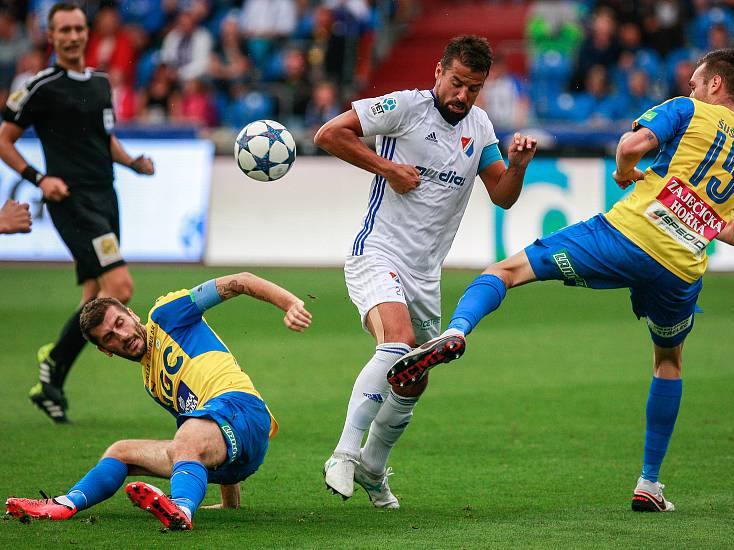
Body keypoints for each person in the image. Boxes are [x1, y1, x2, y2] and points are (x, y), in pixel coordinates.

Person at [390, 48, 734, 512]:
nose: (690, 86)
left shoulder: (688, 109)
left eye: (695, 81)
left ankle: (454, 332)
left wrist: (628, 173)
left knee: (506, 272)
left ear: (714, 85)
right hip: (680, 269)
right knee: (668, 361)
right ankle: (649, 482)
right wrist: (698, 217)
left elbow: (629, 147)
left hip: (624, 238)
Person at [313, 35, 537, 508]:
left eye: (473, 88)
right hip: (378, 251)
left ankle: (374, 466)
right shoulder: (405, 107)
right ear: (439, 71)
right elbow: (329, 133)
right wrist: (387, 167)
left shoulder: (479, 127)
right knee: (395, 344)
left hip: (425, 274)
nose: (462, 96)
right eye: (456, 83)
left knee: (414, 376)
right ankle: (344, 454)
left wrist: (516, 167)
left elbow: (503, 194)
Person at [5, 272, 312, 531]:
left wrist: (290, 304)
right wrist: (231, 502)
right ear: (106, 350)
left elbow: (240, 281)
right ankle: (64, 504)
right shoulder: (152, 382)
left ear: (132, 314)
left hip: (244, 410)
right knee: (121, 451)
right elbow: (202, 433)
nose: (121, 335)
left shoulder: (166, 313)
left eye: (120, 322)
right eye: (109, 336)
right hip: (230, 455)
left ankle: (179, 509)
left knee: (187, 436)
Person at [0, 2, 155, 423]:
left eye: (78, 29)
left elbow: (104, 140)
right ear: (50, 37)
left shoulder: (102, 83)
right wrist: (39, 178)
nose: (72, 36)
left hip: (106, 196)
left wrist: (132, 163)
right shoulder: (40, 86)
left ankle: (51, 379)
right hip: (71, 201)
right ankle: (53, 361)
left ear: (88, 33)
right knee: (119, 289)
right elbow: (5, 139)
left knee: (94, 295)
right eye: (63, 30)